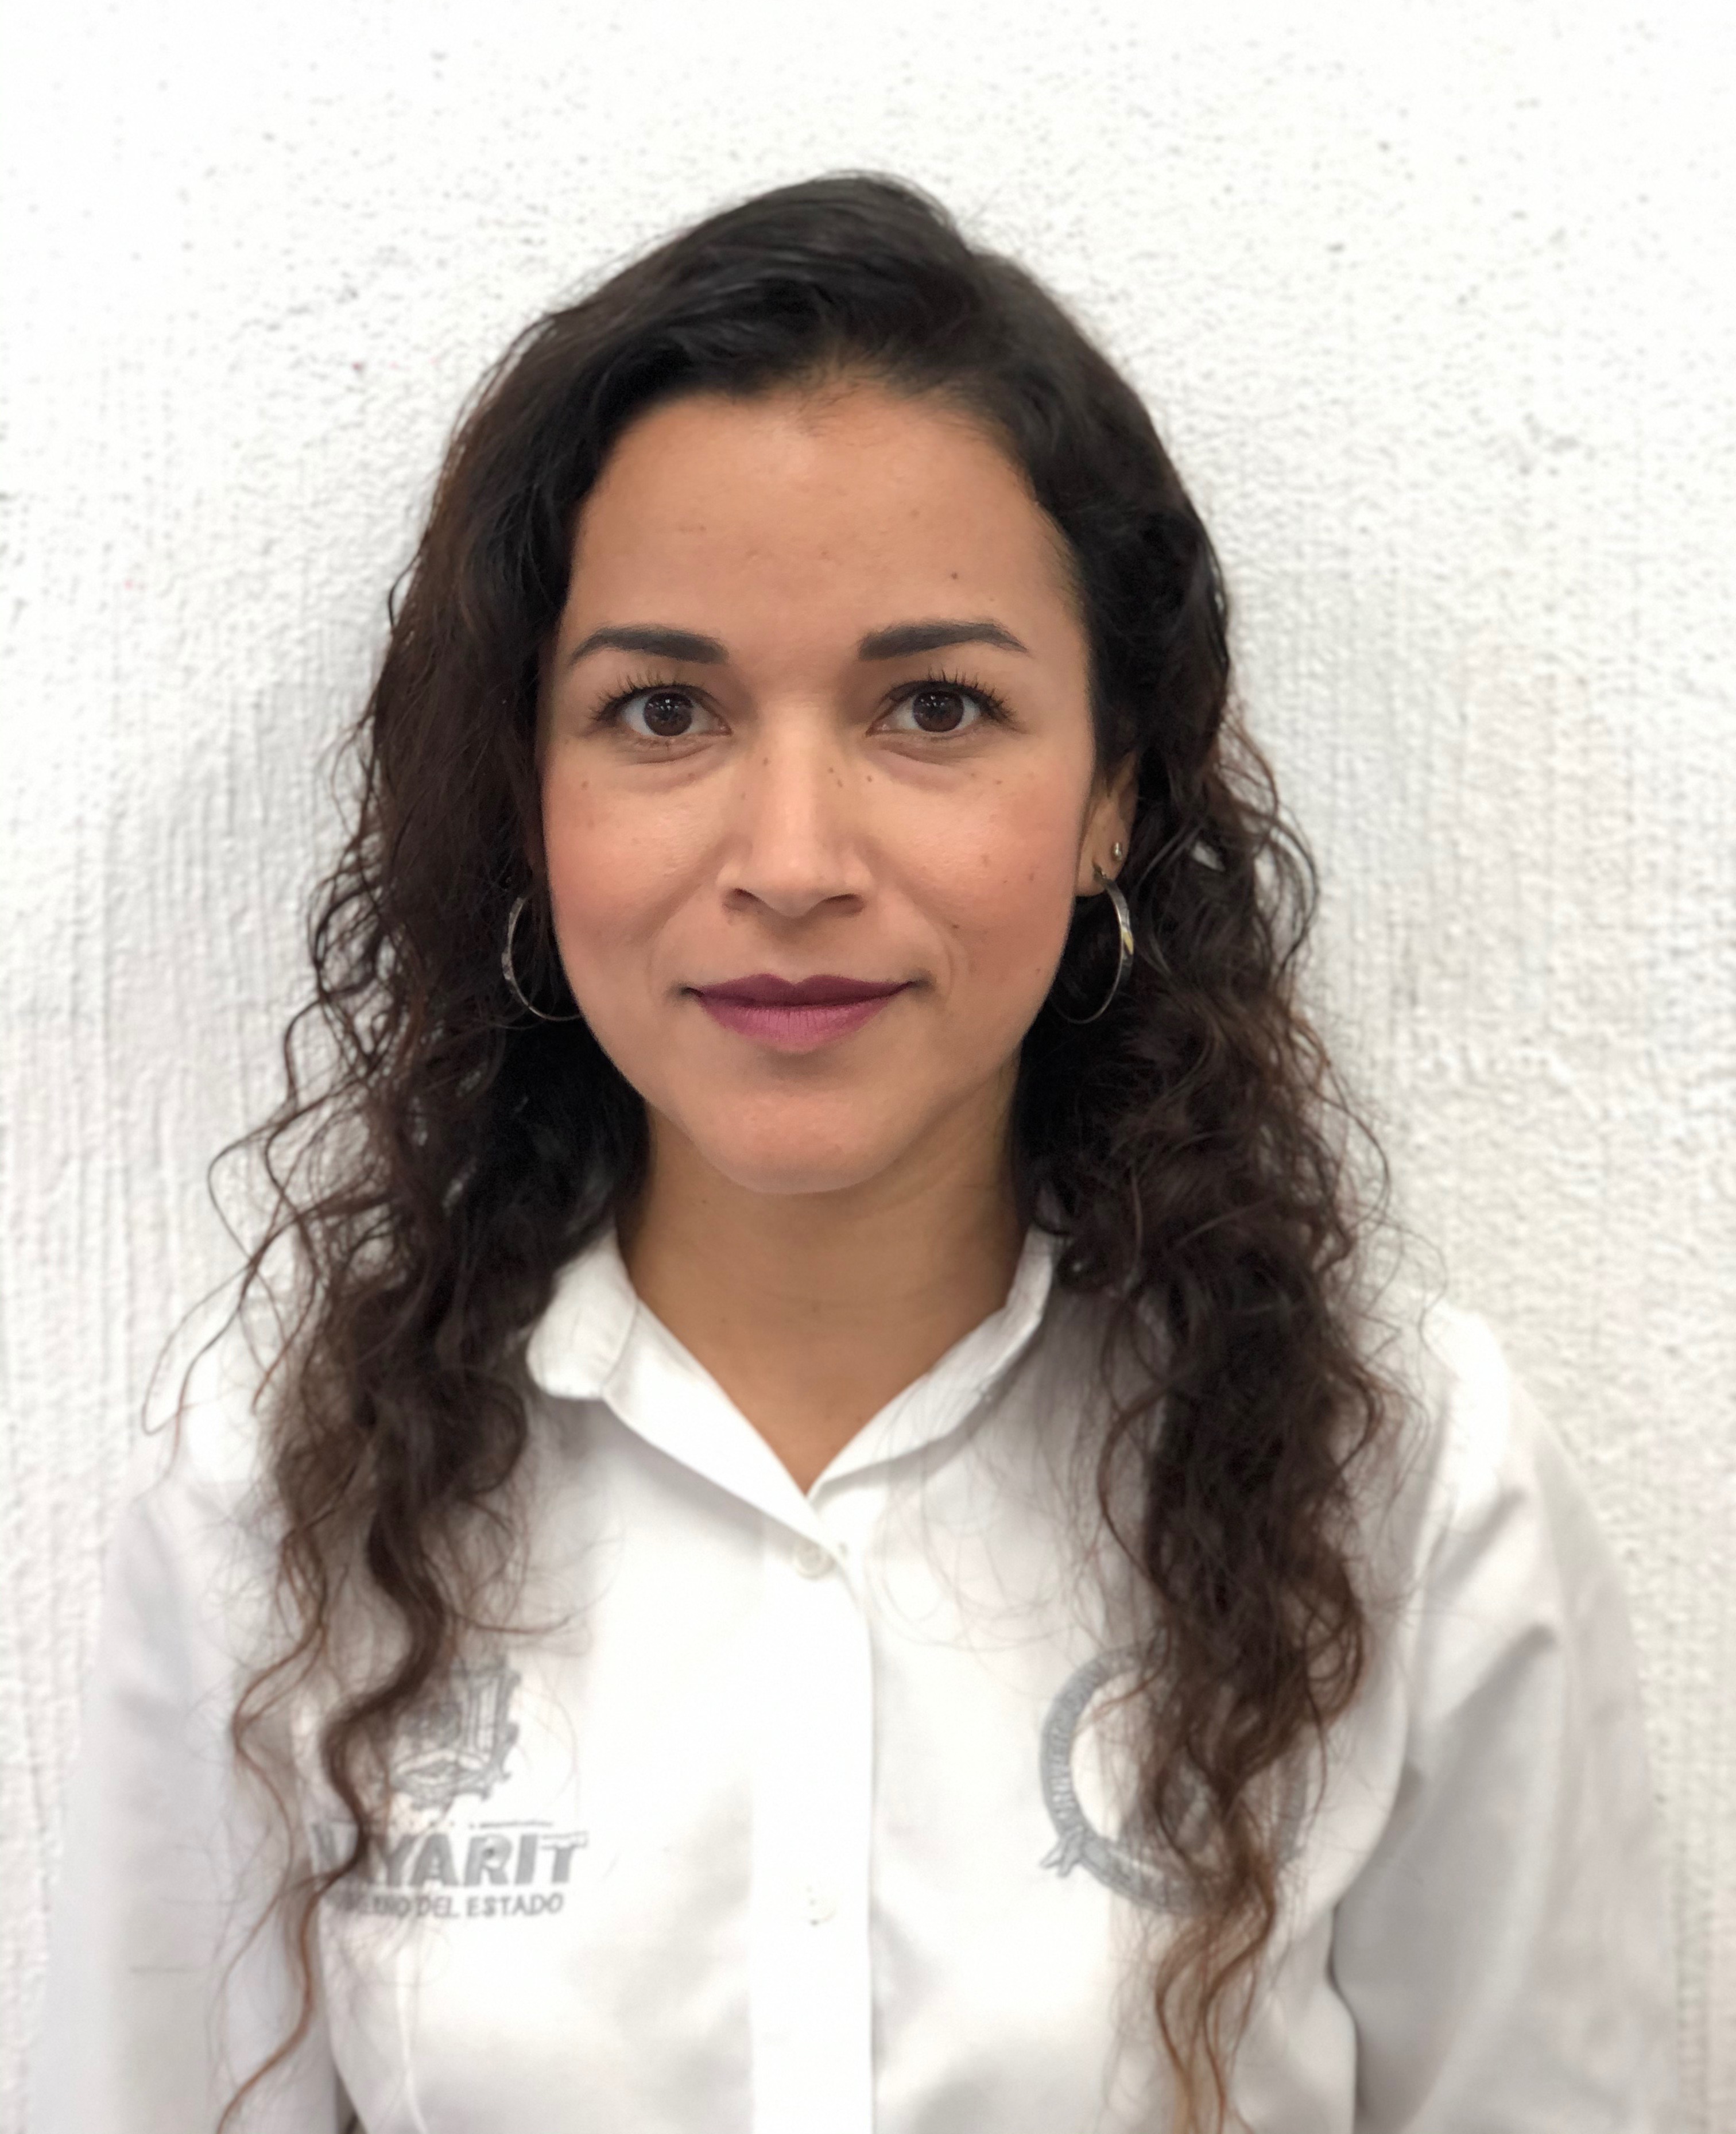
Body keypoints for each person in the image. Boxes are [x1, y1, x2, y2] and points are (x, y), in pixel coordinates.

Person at [30, 173, 1678, 2134]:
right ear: (529, 792)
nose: (794, 860)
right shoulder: (274, 1500)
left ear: (1112, 793)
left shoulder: (1403, 1482)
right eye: (662, 710)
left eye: (935, 708)